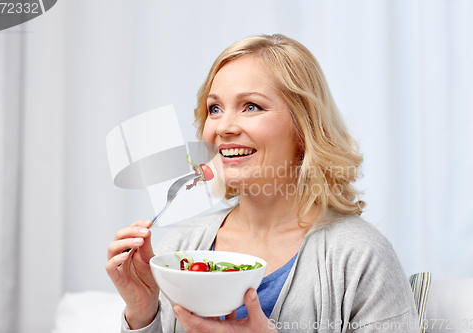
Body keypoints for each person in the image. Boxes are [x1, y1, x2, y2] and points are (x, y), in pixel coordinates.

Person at [106, 34, 420, 332]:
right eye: (214, 109)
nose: (223, 127)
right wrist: (143, 311)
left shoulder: (360, 255)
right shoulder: (181, 247)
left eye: (251, 106)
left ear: (304, 126)